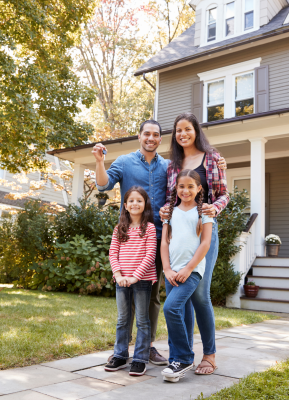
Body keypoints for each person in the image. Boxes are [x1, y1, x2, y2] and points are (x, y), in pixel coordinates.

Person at [92, 119, 226, 365]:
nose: (151, 138)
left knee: (155, 296)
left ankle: (149, 347)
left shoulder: (171, 165)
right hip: (138, 238)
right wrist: (100, 162)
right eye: (146, 134)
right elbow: (103, 185)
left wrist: (218, 173)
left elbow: (209, 191)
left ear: (161, 139)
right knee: (129, 294)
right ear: (139, 136)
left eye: (156, 134)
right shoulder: (126, 162)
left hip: (170, 236)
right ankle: (123, 350)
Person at [160, 112, 229, 375]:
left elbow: (224, 194)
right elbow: (171, 198)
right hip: (179, 232)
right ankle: (183, 355)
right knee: (181, 296)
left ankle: (209, 356)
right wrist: (165, 212)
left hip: (203, 229)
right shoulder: (172, 164)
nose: (183, 134)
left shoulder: (212, 157)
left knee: (200, 295)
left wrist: (214, 208)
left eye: (187, 129)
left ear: (195, 130)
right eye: (178, 130)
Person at [160, 169, 213, 383]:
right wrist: (167, 269)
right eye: (181, 186)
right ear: (176, 188)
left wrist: (189, 268)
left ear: (199, 189)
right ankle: (176, 361)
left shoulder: (204, 212)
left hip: (191, 271)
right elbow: (164, 242)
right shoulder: (169, 212)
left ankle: (183, 358)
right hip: (171, 271)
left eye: (191, 186)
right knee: (178, 312)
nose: (186, 190)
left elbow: (206, 243)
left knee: (170, 307)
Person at [105, 186, 157, 376]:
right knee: (122, 319)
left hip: (141, 280)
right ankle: (119, 355)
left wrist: (136, 275)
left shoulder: (149, 228)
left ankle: (140, 359)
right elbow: (113, 252)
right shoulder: (120, 228)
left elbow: (151, 254)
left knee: (142, 320)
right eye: (131, 201)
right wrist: (118, 275)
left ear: (145, 205)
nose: (135, 203)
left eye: (139, 200)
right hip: (121, 280)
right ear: (125, 205)